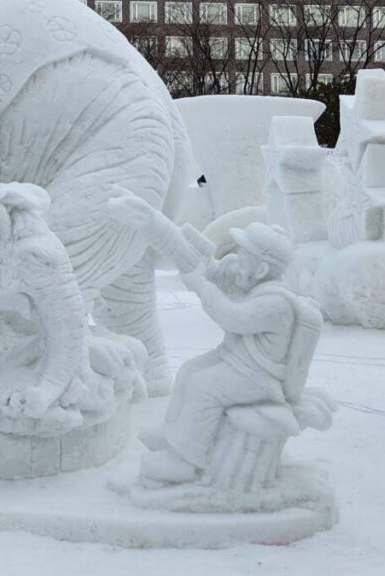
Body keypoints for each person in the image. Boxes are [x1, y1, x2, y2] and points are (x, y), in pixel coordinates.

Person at [107, 190, 295, 484]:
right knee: (189, 371)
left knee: (203, 387)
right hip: (237, 363)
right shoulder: (251, 282)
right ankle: (174, 435)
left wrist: (201, 287)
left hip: (259, 378)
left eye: (243, 254)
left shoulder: (276, 303)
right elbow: (210, 269)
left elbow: (230, 316)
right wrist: (154, 223)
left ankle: (186, 460)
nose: (235, 258)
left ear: (260, 268)